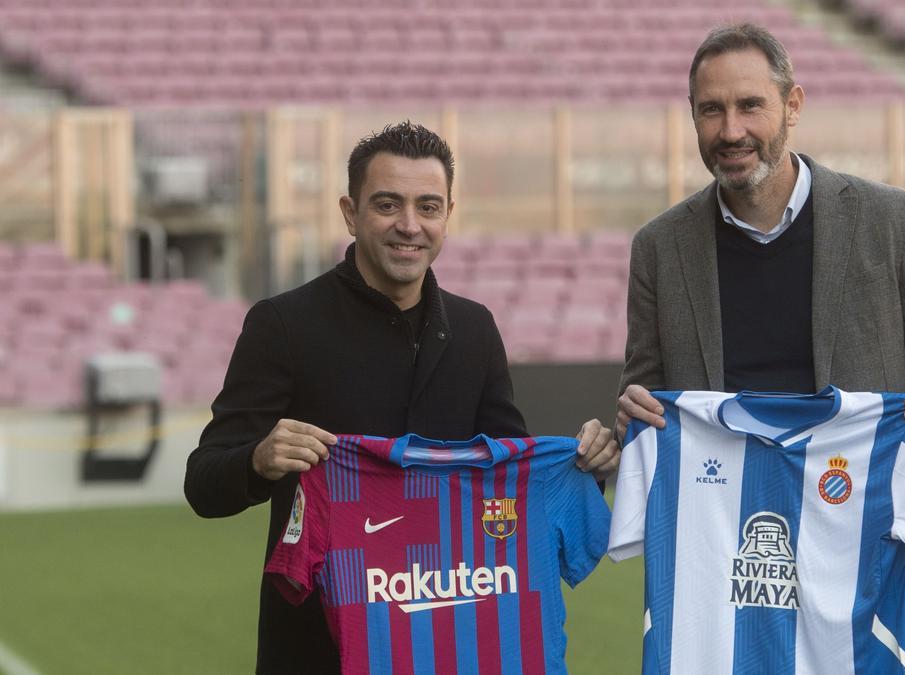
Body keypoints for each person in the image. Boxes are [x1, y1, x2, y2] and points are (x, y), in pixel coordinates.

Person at [614, 24, 905, 675]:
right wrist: (630, 419)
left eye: (749, 105)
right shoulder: (660, 247)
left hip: (868, 575)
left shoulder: (889, 220)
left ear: (792, 105)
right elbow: (646, 393)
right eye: (711, 110)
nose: (730, 129)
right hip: (725, 589)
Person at [184, 121, 620, 674]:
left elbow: (512, 480)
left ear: (447, 216)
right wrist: (258, 460)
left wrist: (584, 467)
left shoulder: (474, 329)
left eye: (428, 207)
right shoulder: (283, 326)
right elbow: (203, 483)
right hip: (319, 650)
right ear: (351, 212)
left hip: (451, 644)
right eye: (388, 205)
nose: (409, 226)